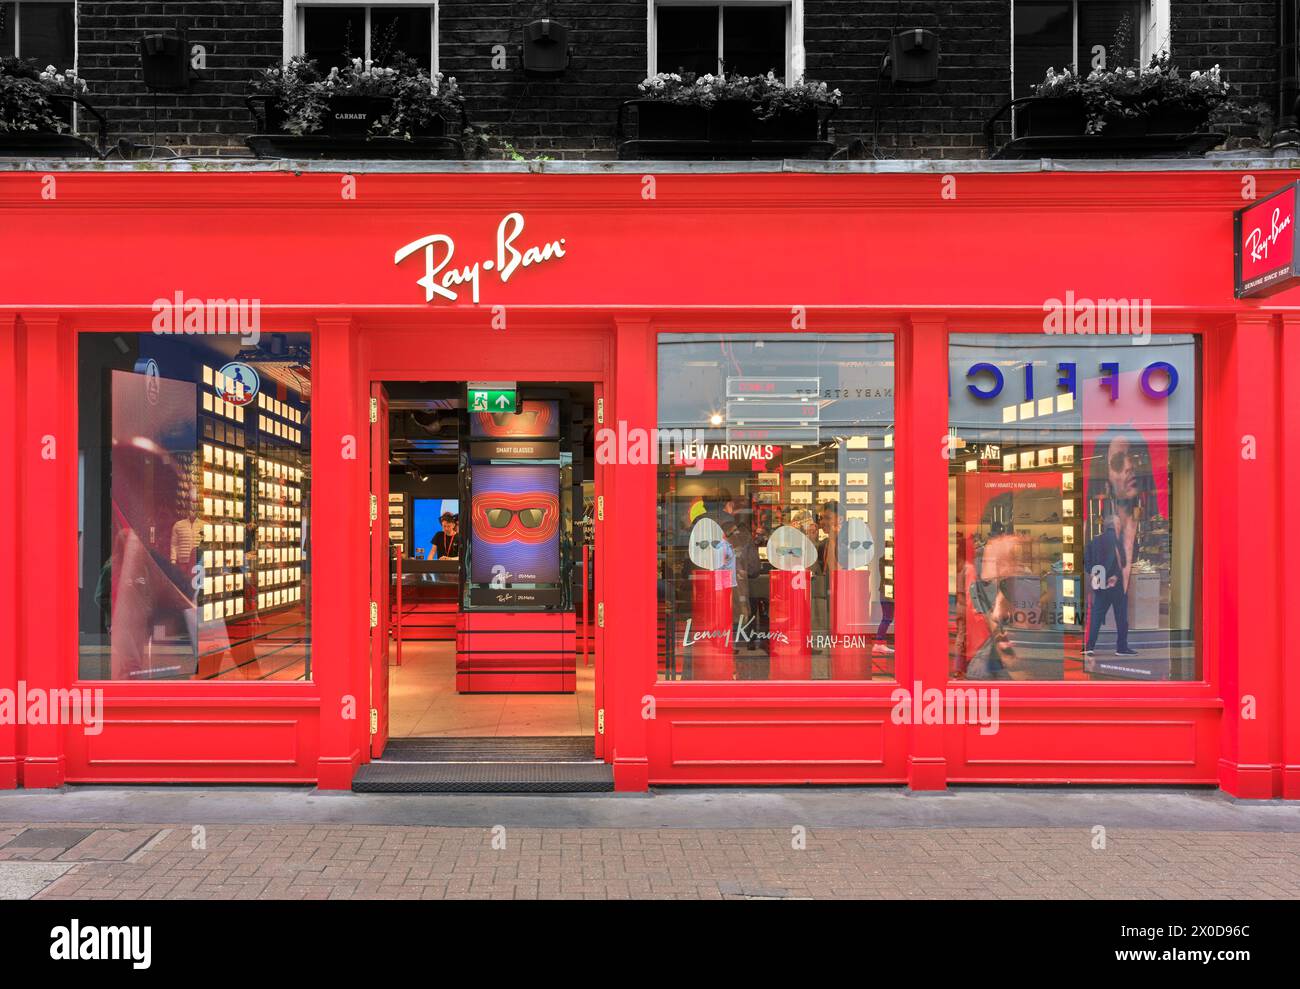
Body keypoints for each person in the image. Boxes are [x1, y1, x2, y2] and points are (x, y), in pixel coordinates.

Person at [1083, 429, 1151, 658]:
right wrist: (1107, 576)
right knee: (1118, 619)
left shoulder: (1101, 540)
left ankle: (1093, 647)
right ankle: (1114, 647)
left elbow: (1087, 561)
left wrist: (1095, 575)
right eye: (1119, 461)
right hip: (1111, 586)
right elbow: (1106, 559)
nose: (1130, 466)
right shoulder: (1108, 540)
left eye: (1135, 457)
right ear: (1107, 481)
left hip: (1106, 586)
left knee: (1106, 618)